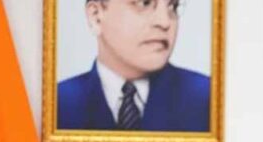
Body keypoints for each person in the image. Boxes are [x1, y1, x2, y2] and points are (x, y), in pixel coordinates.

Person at [57, 0, 210, 132]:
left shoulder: (207, 99)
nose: (165, 22)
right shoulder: (58, 104)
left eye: (173, 6)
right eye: (144, 3)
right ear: (96, 16)